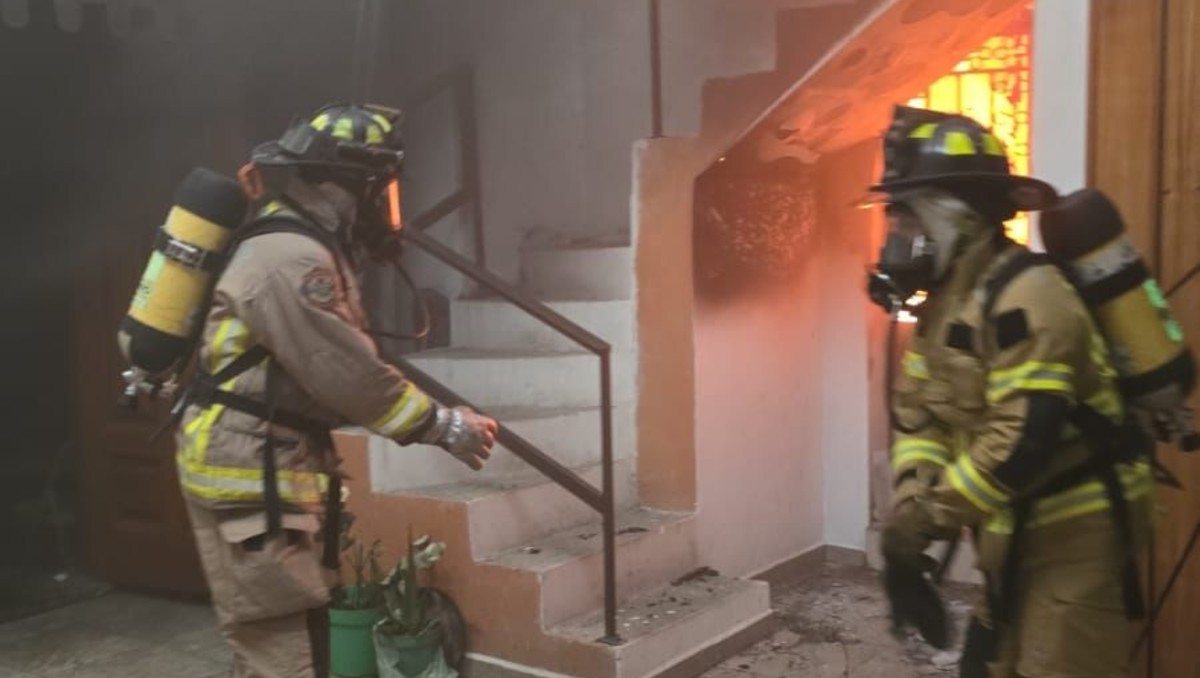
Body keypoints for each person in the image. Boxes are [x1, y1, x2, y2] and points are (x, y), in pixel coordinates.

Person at [173, 103, 498, 678]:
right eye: (379, 189)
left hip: (263, 467)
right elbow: (344, 372)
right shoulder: (292, 258)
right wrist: (443, 427)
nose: (383, 205)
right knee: (286, 652)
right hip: (248, 476)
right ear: (346, 183)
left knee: (275, 643)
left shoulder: (300, 243)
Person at [866, 106, 1154, 678]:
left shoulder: (1032, 297)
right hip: (1010, 533)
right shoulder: (944, 310)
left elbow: (1023, 440)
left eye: (907, 221)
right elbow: (920, 422)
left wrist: (925, 521)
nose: (897, 241)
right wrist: (909, 515)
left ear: (957, 218)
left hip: (1078, 536)